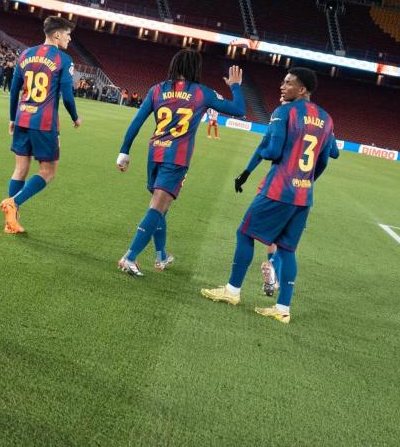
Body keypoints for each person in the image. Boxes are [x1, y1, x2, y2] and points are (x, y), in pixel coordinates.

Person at [206, 67, 340, 323]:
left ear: (301, 90)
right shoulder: (327, 118)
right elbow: (328, 157)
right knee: (287, 249)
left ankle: (232, 291)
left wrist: (268, 151)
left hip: (279, 189)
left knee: (244, 233)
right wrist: (307, 180)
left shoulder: (284, 112)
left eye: (288, 83)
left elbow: (273, 150)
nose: (282, 86)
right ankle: (282, 309)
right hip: (303, 195)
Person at [115, 51, 246, 275]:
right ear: (197, 68)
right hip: (176, 158)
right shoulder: (202, 93)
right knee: (157, 207)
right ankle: (130, 257)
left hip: (154, 154)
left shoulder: (156, 89)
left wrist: (124, 151)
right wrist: (235, 86)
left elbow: (137, 121)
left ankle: (161, 255)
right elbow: (240, 110)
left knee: (160, 208)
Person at [0, 17, 81, 235]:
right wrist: (75, 117)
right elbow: (67, 97)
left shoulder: (25, 54)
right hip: (44, 122)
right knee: (48, 171)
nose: (69, 38)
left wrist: (11, 118)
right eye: (67, 34)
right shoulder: (64, 60)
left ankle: (11, 222)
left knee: (20, 168)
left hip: (22, 117)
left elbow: (14, 90)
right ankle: (13, 204)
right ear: (56, 35)